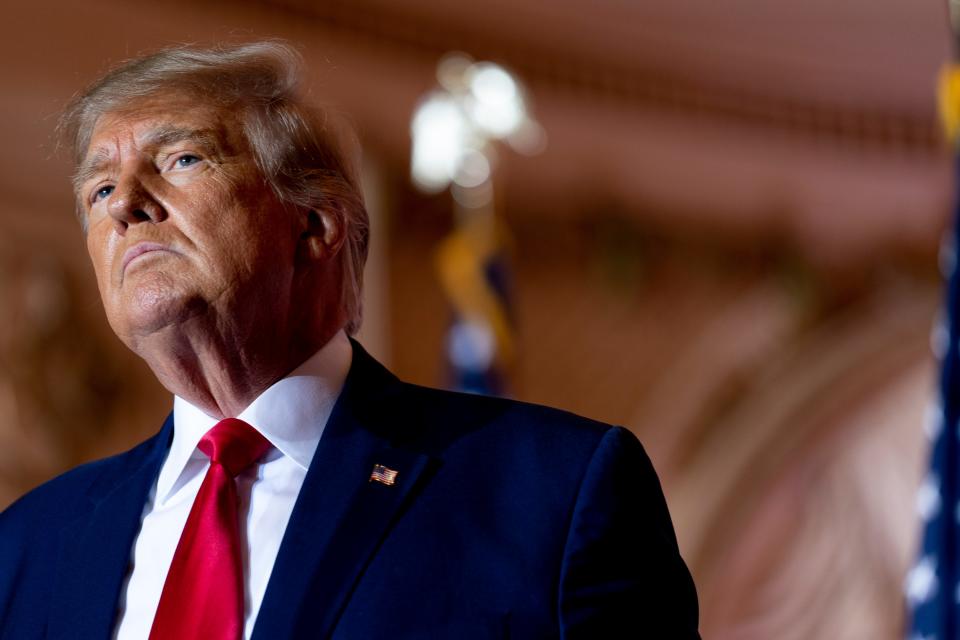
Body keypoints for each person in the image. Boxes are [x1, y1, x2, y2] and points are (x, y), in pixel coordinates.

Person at [0, 42, 700, 639]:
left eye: (181, 159)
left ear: (315, 226)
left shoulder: (552, 491)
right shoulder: (30, 545)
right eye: (98, 190)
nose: (125, 203)